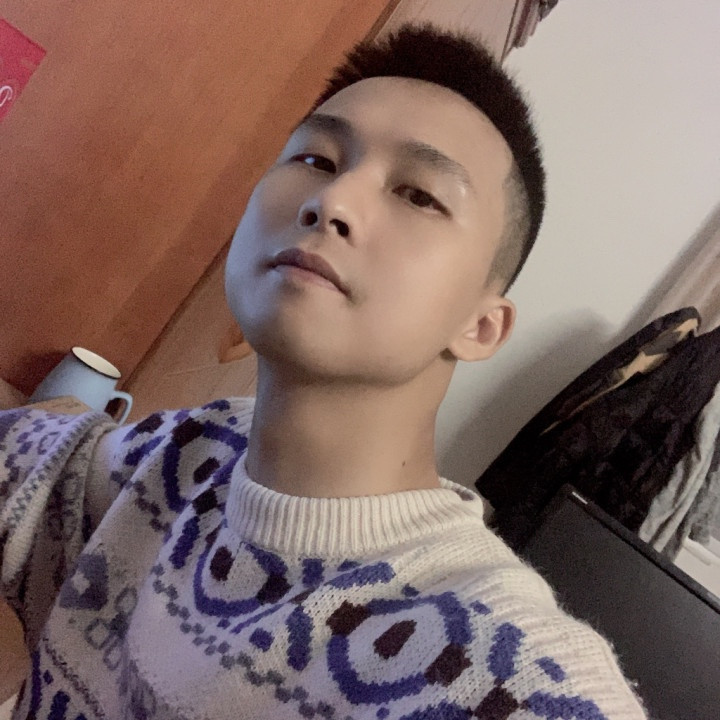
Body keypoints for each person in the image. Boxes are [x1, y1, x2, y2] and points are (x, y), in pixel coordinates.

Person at [0, 24, 647, 720]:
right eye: (315, 158)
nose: (332, 201)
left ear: (480, 326)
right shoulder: (186, 458)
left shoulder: (497, 673)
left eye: (418, 195)